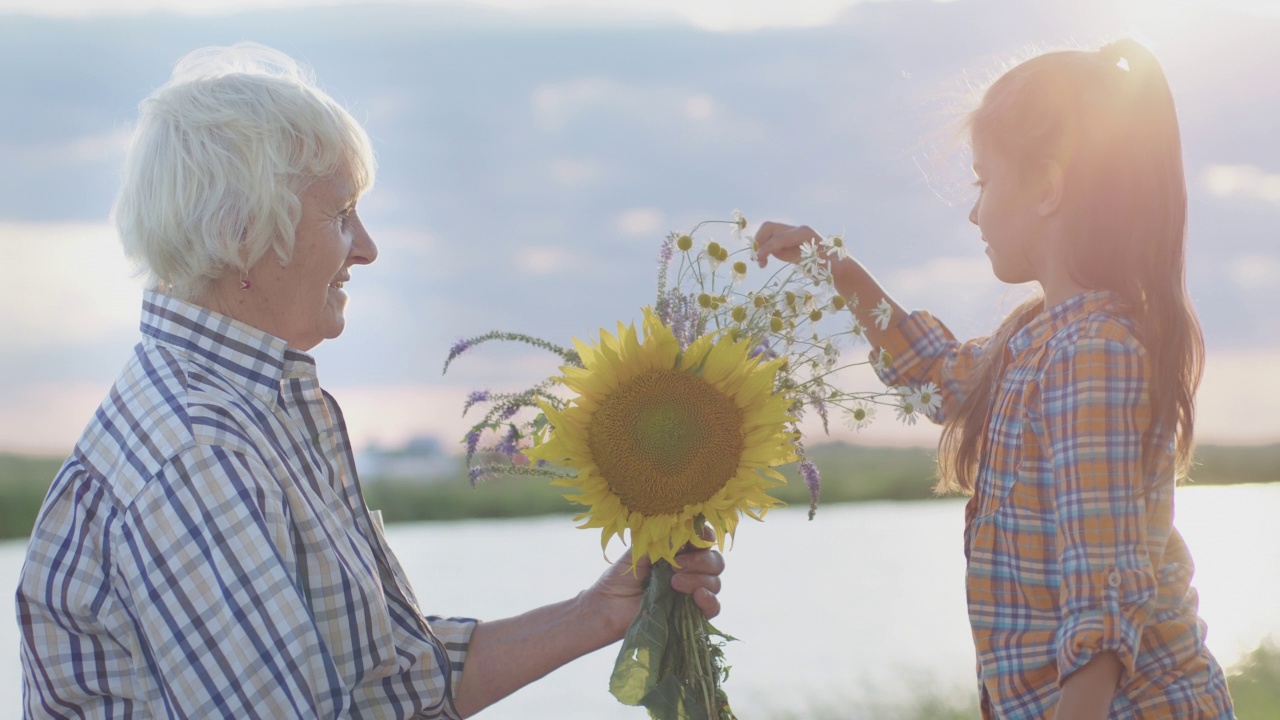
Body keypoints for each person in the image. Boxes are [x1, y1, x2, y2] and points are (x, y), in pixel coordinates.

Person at [16, 43, 724, 719]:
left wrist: (595, 614)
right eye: (341, 214)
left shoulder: (250, 413)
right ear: (240, 233)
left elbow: (388, 693)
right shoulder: (198, 454)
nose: (369, 248)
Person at [755, 39, 1233, 719]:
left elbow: (1102, 590)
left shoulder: (1093, 353)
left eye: (984, 181)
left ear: (1047, 186)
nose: (975, 212)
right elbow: (936, 377)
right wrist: (839, 270)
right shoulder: (1034, 339)